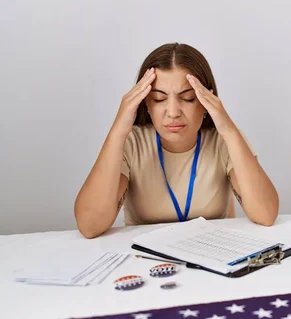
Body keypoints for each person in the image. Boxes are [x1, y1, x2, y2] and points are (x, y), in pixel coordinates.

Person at [74, 43, 279, 238]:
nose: (172, 112)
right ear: (144, 102)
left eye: (188, 98)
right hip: (147, 262)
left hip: (212, 258)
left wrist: (230, 131)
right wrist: (118, 130)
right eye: (159, 99)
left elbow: (266, 215)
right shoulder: (131, 142)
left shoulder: (225, 140)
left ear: (206, 99)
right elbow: (90, 226)